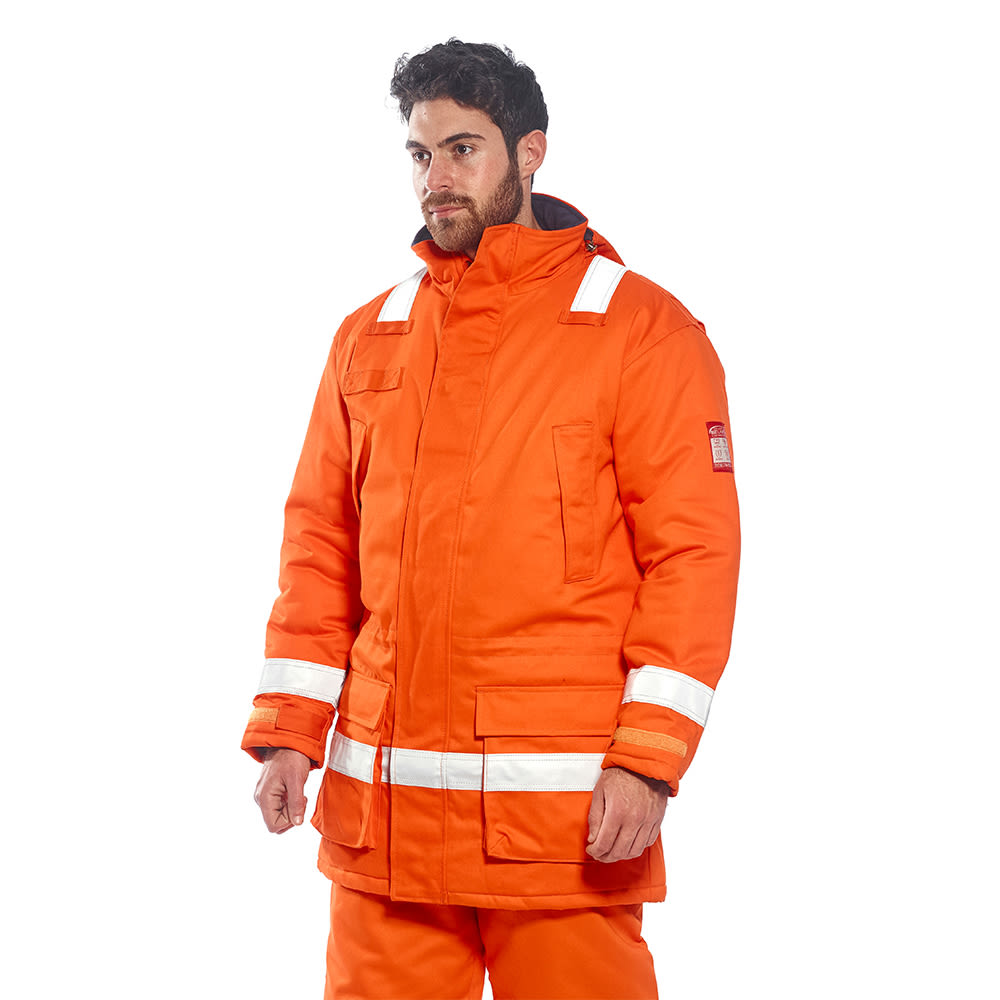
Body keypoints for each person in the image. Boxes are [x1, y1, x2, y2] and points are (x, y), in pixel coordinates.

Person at [242, 39, 740, 1000]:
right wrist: (291, 732)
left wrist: (650, 760)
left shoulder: (642, 330)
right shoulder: (370, 335)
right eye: (420, 154)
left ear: (530, 152)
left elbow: (694, 558)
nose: (437, 178)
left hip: (558, 831)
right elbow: (319, 548)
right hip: (385, 831)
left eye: (463, 149)